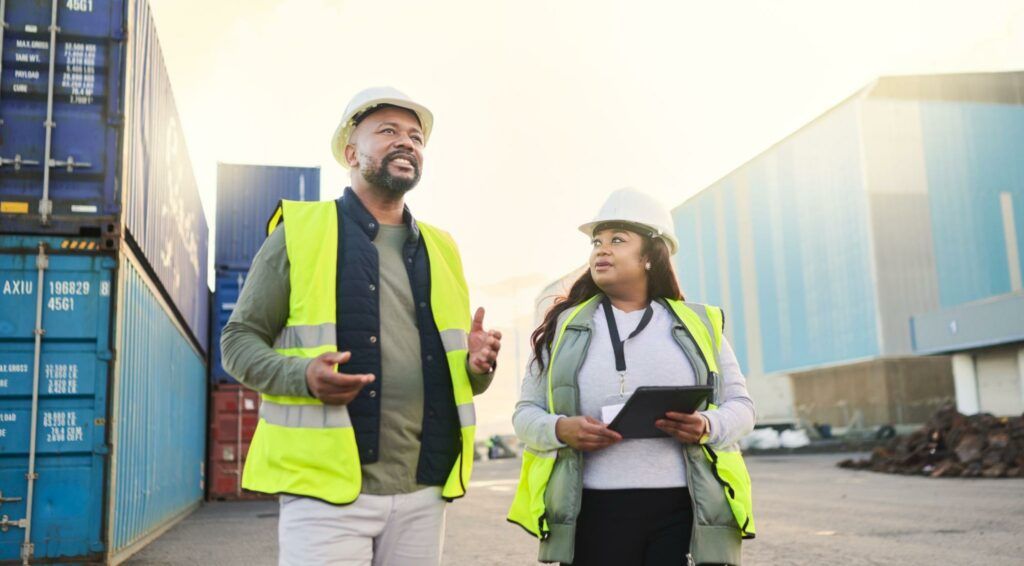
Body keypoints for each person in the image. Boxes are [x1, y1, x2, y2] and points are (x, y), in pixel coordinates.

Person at [221, 86, 501, 566]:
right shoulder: (302, 231)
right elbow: (237, 342)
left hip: (422, 488)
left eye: (415, 137)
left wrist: (479, 366)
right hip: (325, 493)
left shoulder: (442, 248)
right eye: (388, 131)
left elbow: (462, 380)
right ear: (351, 153)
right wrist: (303, 376)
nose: (407, 143)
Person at [508, 188, 756, 565]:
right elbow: (526, 413)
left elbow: (742, 407)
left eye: (618, 240)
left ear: (651, 258)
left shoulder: (700, 325)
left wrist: (707, 423)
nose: (601, 250)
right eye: (597, 242)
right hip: (591, 511)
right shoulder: (562, 328)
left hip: (682, 511)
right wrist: (561, 430)